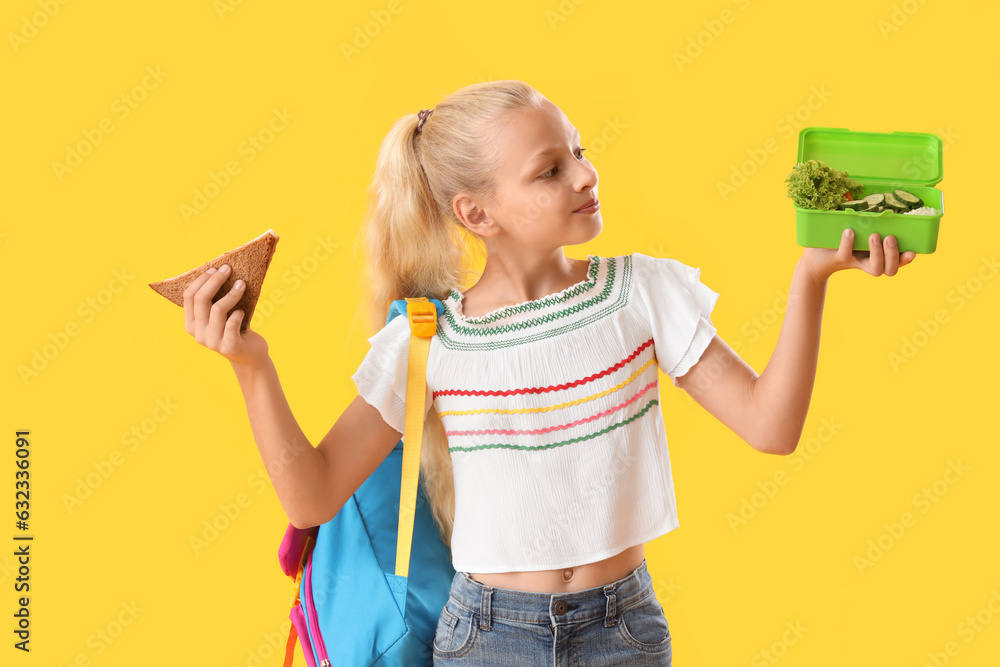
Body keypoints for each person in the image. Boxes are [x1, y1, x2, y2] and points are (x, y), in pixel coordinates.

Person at [180, 80, 916, 665]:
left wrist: (811, 278)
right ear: (479, 212)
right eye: (550, 169)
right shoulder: (431, 338)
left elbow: (771, 425)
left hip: (621, 632)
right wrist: (253, 366)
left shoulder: (643, 293)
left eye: (579, 151)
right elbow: (310, 495)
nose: (586, 175)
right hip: (486, 638)